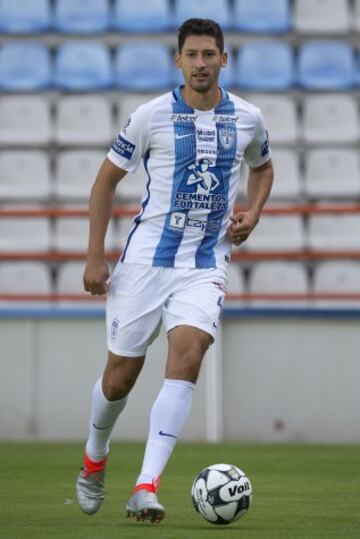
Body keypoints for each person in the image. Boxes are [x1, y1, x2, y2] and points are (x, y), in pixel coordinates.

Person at [75, 17, 273, 524]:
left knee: (188, 352)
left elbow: (263, 165)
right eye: (193, 55)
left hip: (204, 265)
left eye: (210, 54)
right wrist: (95, 255)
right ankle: (95, 456)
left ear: (223, 60)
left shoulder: (248, 118)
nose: (201, 63)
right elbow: (104, 182)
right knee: (120, 378)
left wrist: (254, 210)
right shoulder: (150, 116)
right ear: (178, 60)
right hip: (144, 264)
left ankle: (145, 486)